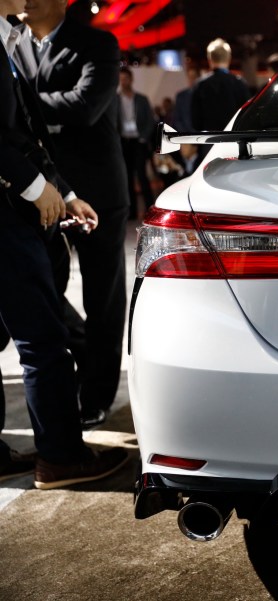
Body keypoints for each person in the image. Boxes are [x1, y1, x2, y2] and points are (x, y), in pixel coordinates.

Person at [1, 0, 128, 488]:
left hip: (87, 190)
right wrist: (37, 181)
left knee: (101, 299)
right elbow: (23, 124)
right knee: (41, 321)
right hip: (24, 198)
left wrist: (60, 188)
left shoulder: (95, 43)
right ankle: (61, 446)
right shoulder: (14, 42)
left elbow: (82, 107)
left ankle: (93, 399)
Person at [191, 37, 251, 132]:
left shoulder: (201, 85)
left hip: (209, 138)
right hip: (234, 138)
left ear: (210, 59)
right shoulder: (239, 83)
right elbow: (246, 117)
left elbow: (195, 122)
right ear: (229, 58)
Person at [118, 65, 155, 219]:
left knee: (142, 176)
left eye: (125, 79)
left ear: (131, 79)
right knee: (127, 177)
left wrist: (143, 137)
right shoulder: (115, 99)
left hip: (138, 141)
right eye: (121, 79)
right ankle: (132, 212)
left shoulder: (141, 99)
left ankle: (150, 209)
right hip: (124, 142)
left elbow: (150, 120)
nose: (123, 82)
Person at [171, 64, 198, 132]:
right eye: (190, 77)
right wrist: (184, 133)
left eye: (194, 77)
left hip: (200, 134)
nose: (192, 80)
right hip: (184, 134)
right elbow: (177, 118)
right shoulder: (181, 96)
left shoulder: (204, 94)